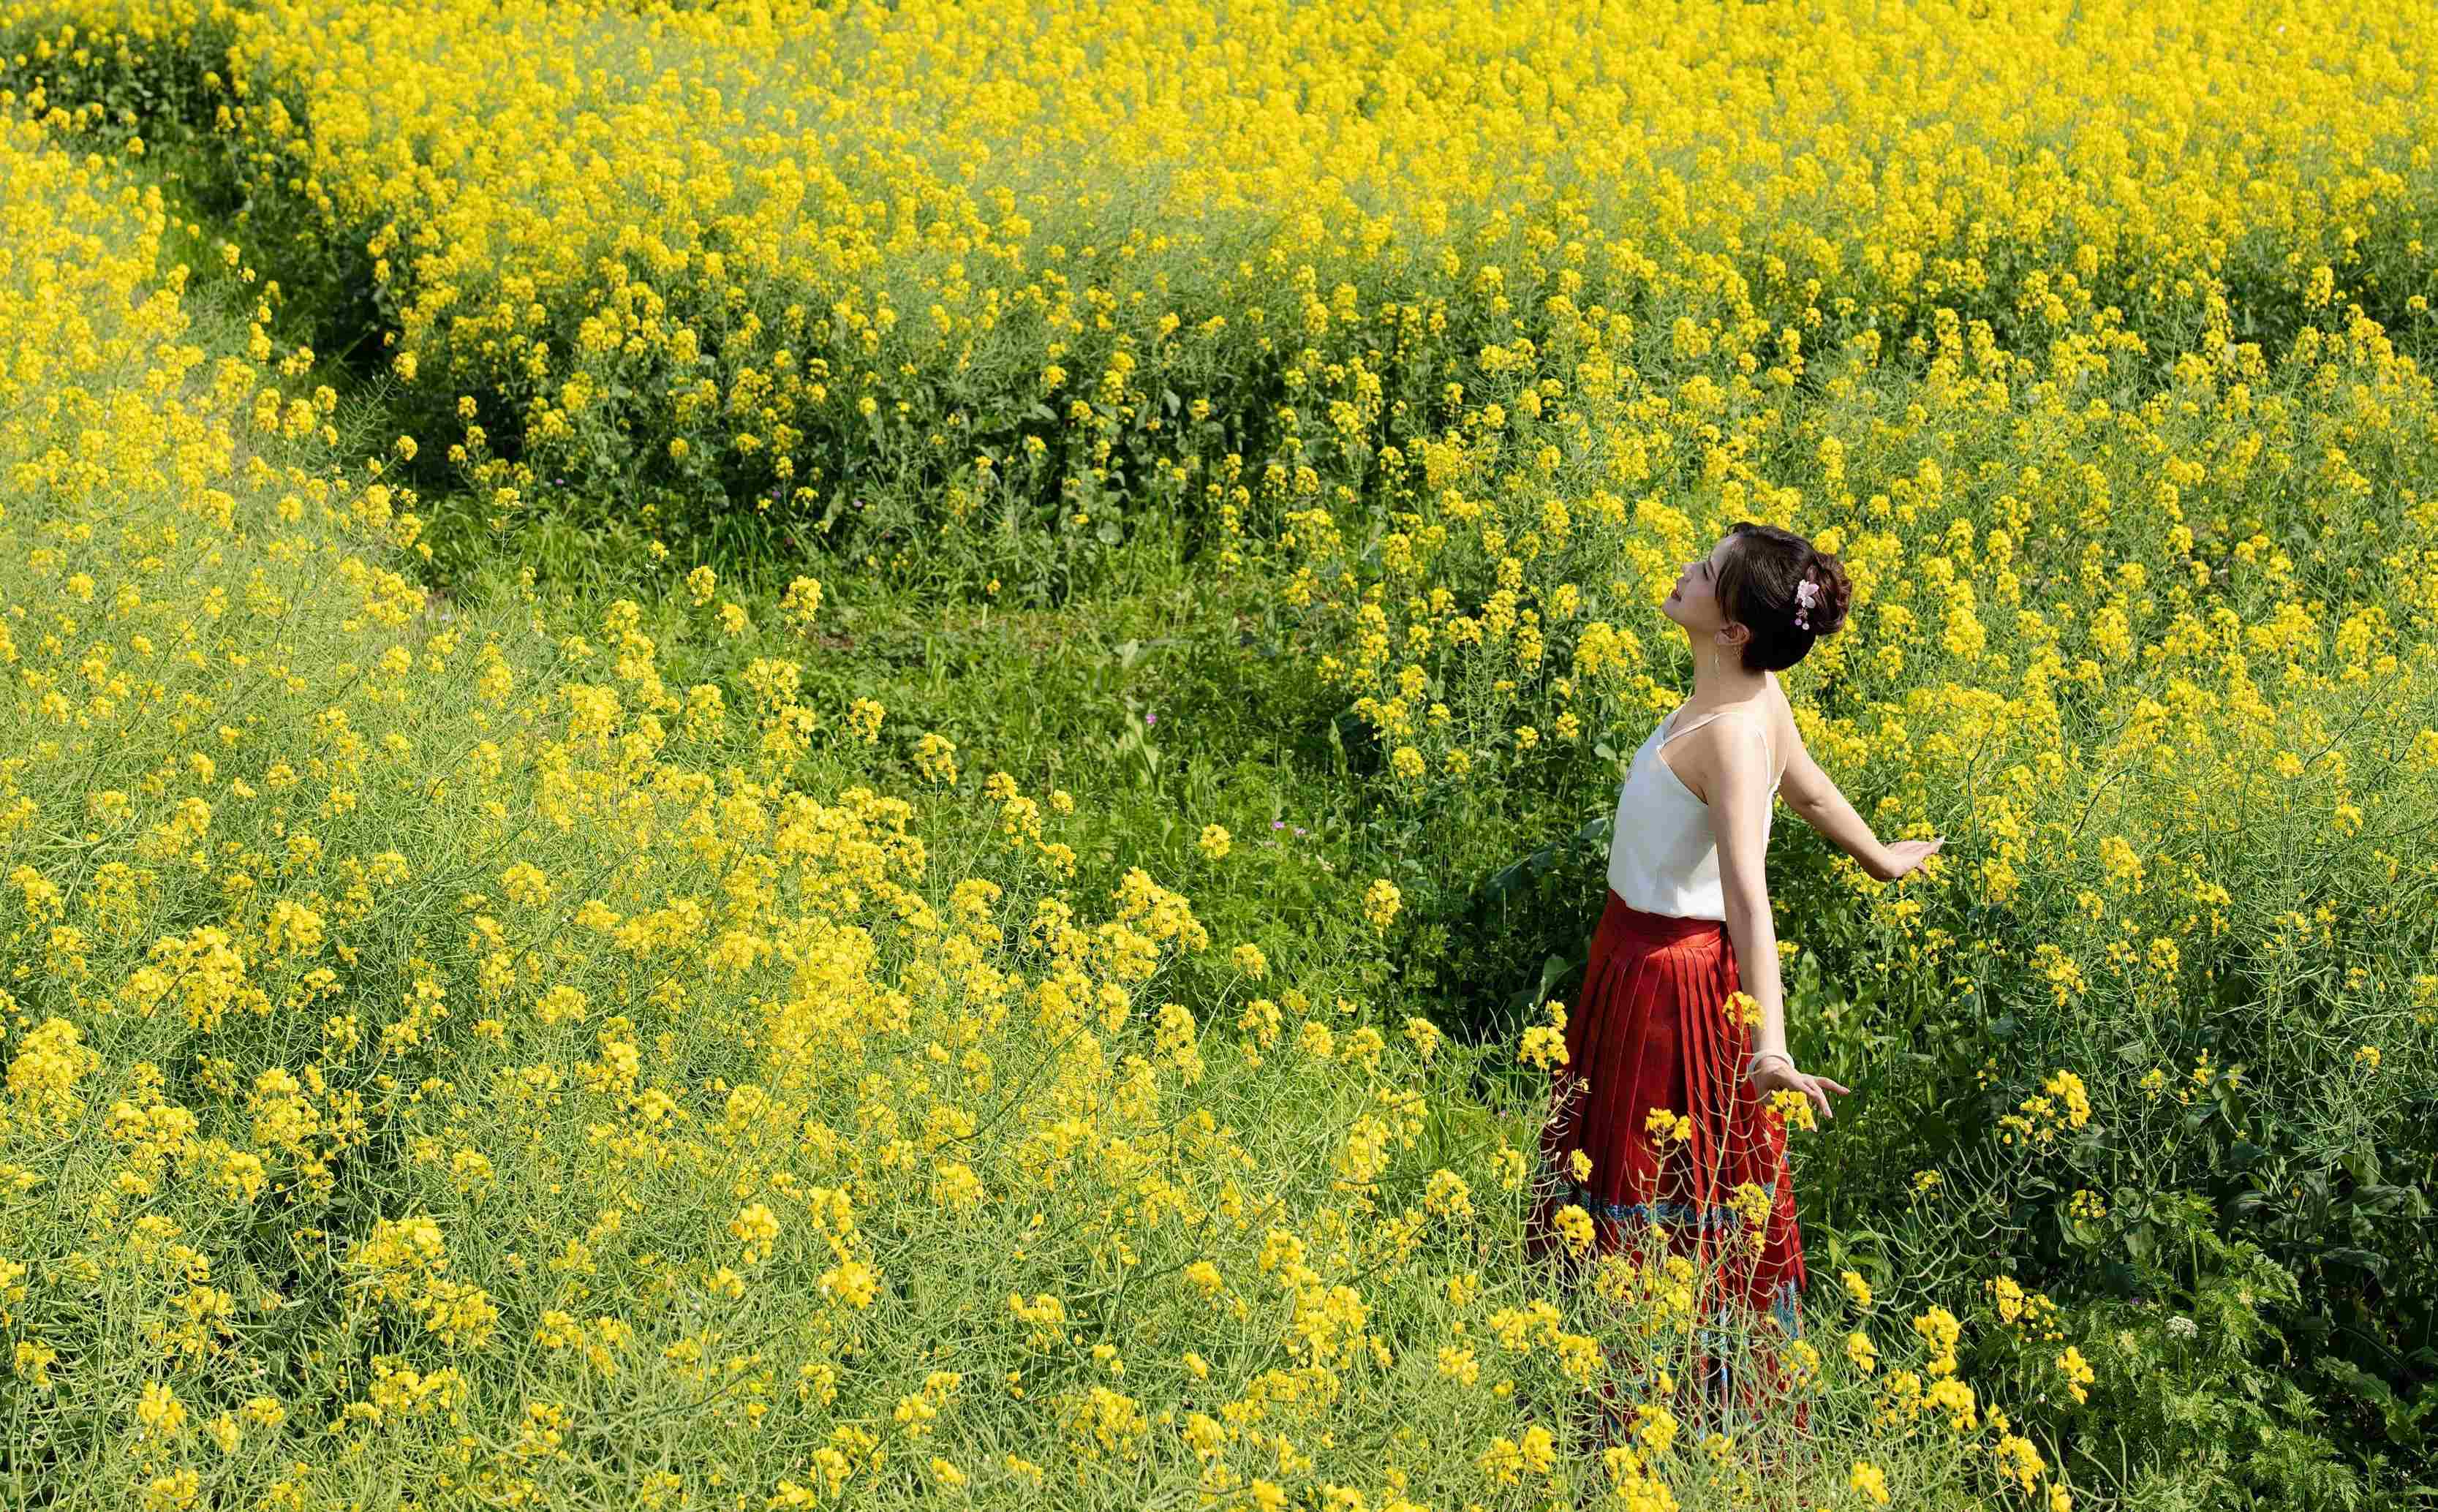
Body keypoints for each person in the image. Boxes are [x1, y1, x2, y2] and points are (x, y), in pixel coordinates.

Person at [1525, 522, 1944, 1448]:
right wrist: (1877, 857)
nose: (1686, 569)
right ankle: (1627, 1395)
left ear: (1735, 630)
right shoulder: (1757, 700)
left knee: (1653, 1190)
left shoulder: (1729, 737)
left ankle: (1645, 1414)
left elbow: (1749, 899)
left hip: (1666, 989)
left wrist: (1772, 1046)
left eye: (1707, 571)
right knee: (1656, 1190)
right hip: (1628, 959)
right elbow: (1813, 789)